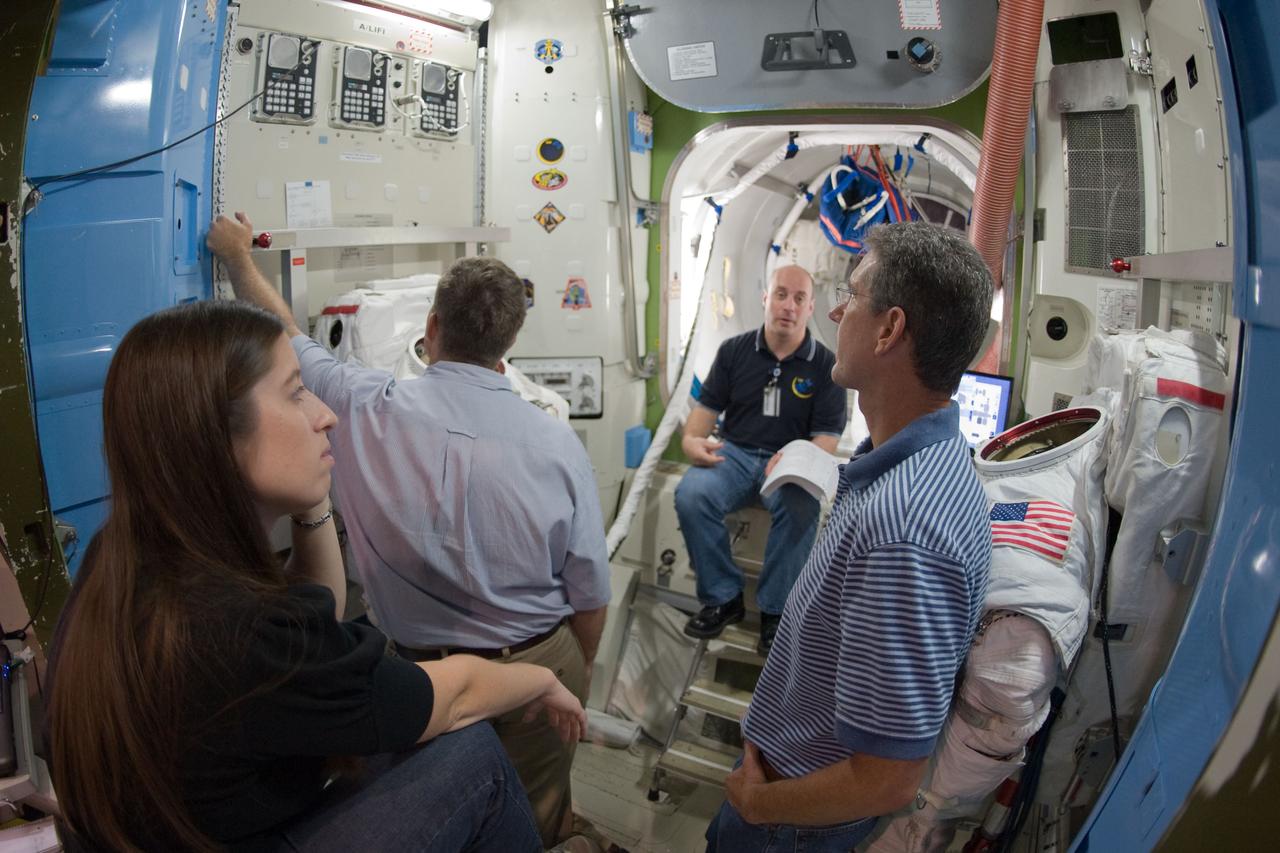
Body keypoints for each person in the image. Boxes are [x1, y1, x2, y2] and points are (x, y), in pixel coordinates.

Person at [47, 300, 586, 852]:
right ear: (216, 435)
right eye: (294, 391)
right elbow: (455, 696)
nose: (324, 414)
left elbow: (316, 616)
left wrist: (312, 500)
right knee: (472, 756)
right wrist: (542, 679)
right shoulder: (243, 632)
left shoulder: (124, 560)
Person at [207, 213, 611, 847]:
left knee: (442, 817)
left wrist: (237, 260)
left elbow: (283, 332)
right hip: (537, 657)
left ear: (431, 329)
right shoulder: (557, 442)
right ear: (508, 341)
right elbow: (590, 596)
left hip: (419, 672)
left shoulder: (360, 404)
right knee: (532, 818)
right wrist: (568, 665)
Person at [704, 222, 995, 852]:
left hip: (787, 825)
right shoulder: (909, 463)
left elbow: (887, 779)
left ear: (890, 329)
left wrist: (757, 804)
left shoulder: (904, 531)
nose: (834, 310)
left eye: (853, 295)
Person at [675, 265, 846, 654]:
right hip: (734, 454)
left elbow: (827, 438)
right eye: (781, 294)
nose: (788, 305)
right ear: (765, 298)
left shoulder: (824, 364)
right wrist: (691, 445)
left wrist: (793, 460)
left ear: (810, 308)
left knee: (802, 507)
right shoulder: (734, 351)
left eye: (799, 298)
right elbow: (697, 426)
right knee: (691, 494)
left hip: (789, 460)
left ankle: (775, 611)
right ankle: (723, 597)